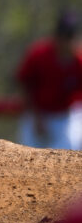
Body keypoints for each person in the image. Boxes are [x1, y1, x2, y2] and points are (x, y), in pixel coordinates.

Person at [16, 10, 82, 151]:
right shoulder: (39, 54)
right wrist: (36, 117)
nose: (66, 41)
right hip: (37, 113)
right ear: (56, 36)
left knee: (68, 152)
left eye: (69, 36)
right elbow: (26, 85)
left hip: (65, 116)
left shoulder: (78, 61)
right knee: (26, 155)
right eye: (63, 35)